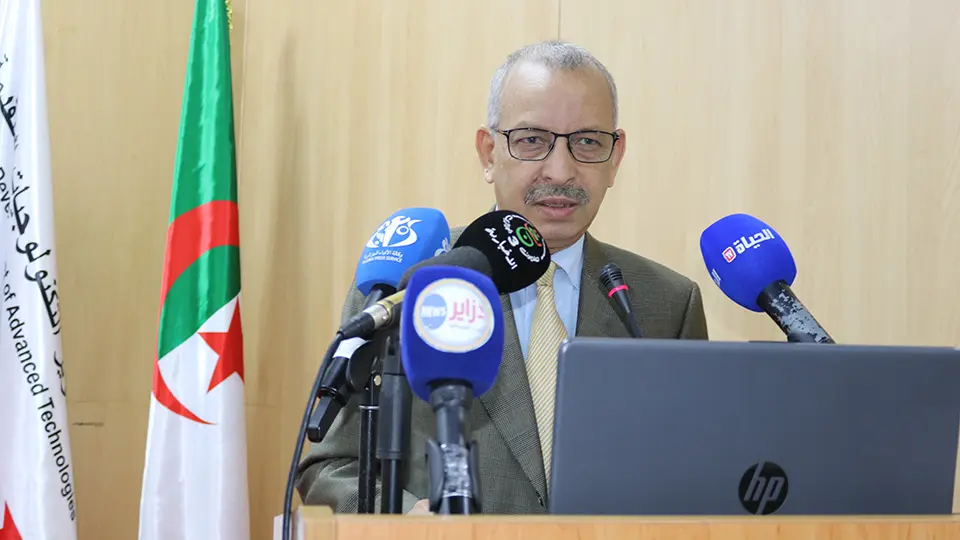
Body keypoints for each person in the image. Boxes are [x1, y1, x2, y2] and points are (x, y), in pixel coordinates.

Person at [295, 40, 709, 515]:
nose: (560, 170)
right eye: (532, 140)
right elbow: (333, 466)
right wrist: (407, 520)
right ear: (489, 153)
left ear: (615, 157)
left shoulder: (666, 305)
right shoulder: (413, 279)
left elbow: (695, 476)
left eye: (587, 142)